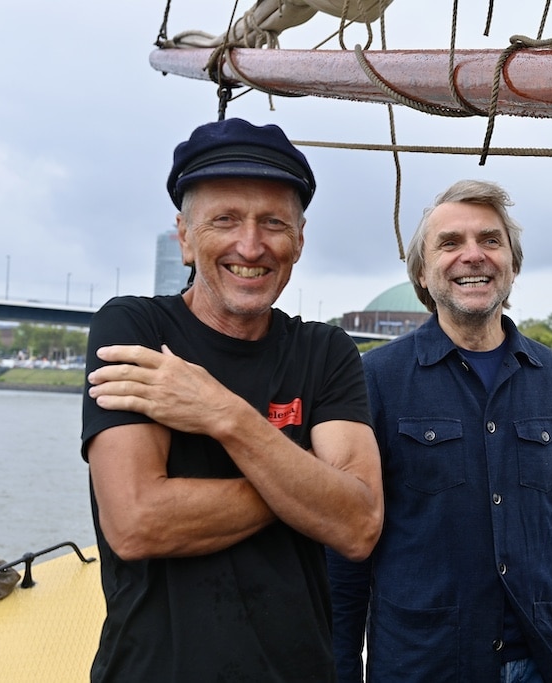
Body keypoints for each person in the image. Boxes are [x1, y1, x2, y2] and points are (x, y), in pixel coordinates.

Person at [81, 117, 383, 682]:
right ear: (185, 236)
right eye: (225, 220)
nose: (251, 245)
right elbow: (138, 522)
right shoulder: (133, 326)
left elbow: (359, 526)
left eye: (273, 223)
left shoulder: (326, 350)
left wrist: (226, 415)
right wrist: (307, 488)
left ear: (299, 239)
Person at [326, 179, 552, 682]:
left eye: (490, 241)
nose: (473, 256)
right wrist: (342, 669)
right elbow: (346, 552)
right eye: (450, 243)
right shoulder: (374, 381)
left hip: (542, 661)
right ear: (423, 275)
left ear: (512, 265)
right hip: (421, 665)